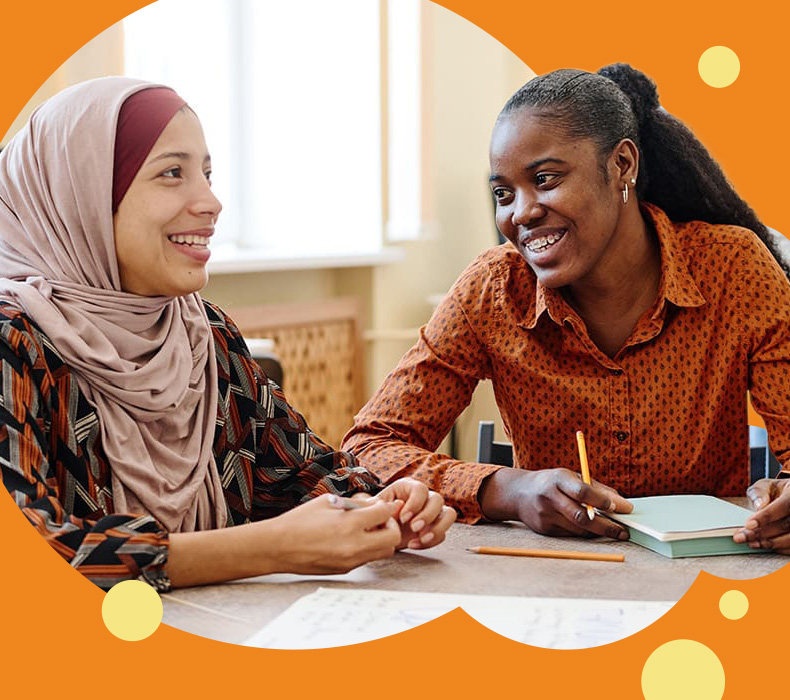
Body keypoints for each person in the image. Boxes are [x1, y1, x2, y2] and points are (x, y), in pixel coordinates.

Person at [0, 77, 455, 592]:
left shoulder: (202, 331)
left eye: (208, 174)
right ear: (79, 196)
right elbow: (30, 551)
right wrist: (269, 549)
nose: (211, 202)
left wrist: (382, 505)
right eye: (172, 173)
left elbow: (299, 472)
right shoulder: (14, 341)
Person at [342, 63, 790, 554]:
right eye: (503, 193)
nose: (521, 212)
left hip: (710, 570)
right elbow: (368, 448)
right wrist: (506, 490)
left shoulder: (732, 267)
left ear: (622, 165)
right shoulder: (492, 289)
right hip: (552, 575)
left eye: (546, 178)